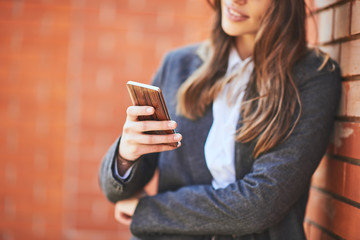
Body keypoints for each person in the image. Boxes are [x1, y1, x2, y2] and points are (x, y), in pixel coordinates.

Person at [99, 0, 341, 239]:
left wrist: (148, 210)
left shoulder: (313, 76)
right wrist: (125, 157)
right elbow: (117, 193)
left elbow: (260, 205)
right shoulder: (178, 64)